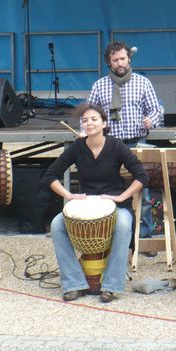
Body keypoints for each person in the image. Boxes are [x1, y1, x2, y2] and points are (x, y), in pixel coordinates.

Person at [43, 104, 148, 303]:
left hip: (114, 204)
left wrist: (121, 196)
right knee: (57, 225)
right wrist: (69, 195)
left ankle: (112, 285)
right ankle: (73, 283)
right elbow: (50, 175)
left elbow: (141, 176)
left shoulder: (116, 146)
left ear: (104, 123)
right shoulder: (77, 147)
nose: (89, 123)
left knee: (124, 225)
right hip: (86, 203)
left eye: (94, 119)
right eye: (85, 120)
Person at [86, 41, 163, 239]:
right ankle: (113, 235)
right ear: (109, 63)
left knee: (143, 193)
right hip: (109, 147)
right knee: (111, 191)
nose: (119, 63)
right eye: (115, 60)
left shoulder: (142, 82)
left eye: (122, 58)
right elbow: (88, 115)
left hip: (138, 143)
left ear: (129, 58)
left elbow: (157, 110)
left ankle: (143, 237)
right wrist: (86, 132)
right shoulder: (99, 86)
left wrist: (150, 120)